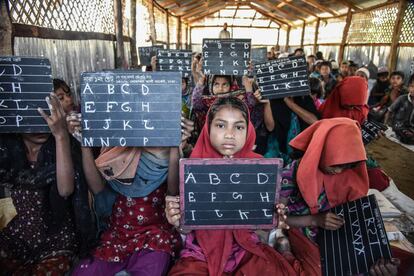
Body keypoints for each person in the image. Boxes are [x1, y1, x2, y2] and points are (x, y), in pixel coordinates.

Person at [165, 97, 300, 275]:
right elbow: (186, 227)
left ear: (248, 131)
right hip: (200, 253)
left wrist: (273, 218)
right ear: (208, 128)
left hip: (246, 250)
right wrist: (177, 220)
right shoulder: (193, 168)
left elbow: (262, 227)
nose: (230, 134)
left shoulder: (261, 169)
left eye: (238, 127)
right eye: (221, 125)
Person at [71, 114, 195, 275]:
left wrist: (174, 145)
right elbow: (98, 189)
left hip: (154, 236)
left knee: (152, 267)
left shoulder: (166, 149)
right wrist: (85, 145)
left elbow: (173, 192)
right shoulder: (116, 148)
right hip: (117, 236)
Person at [279, 118, 402, 276]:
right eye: (335, 164)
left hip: (339, 236)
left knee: (374, 266)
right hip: (303, 230)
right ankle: (285, 252)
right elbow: (277, 219)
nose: (339, 172)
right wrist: (315, 220)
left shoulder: (349, 174)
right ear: (320, 150)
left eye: (346, 166)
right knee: (316, 271)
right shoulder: (290, 175)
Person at [0, 94, 94, 274]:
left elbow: (65, 190)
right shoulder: (11, 154)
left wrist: (61, 136)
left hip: (57, 241)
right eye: (32, 121)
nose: (40, 128)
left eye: (45, 120)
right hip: (20, 235)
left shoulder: (60, 147)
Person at [255, 88, 319, 164]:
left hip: (303, 151)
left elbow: (314, 121)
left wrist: (291, 104)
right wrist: (267, 103)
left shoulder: (304, 96)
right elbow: (270, 127)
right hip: (279, 149)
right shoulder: (273, 98)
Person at [384, 74, 414, 144]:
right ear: (409, 86)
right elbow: (389, 112)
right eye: (412, 86)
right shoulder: (402, 99)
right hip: (396, 129)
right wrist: (385, 126)